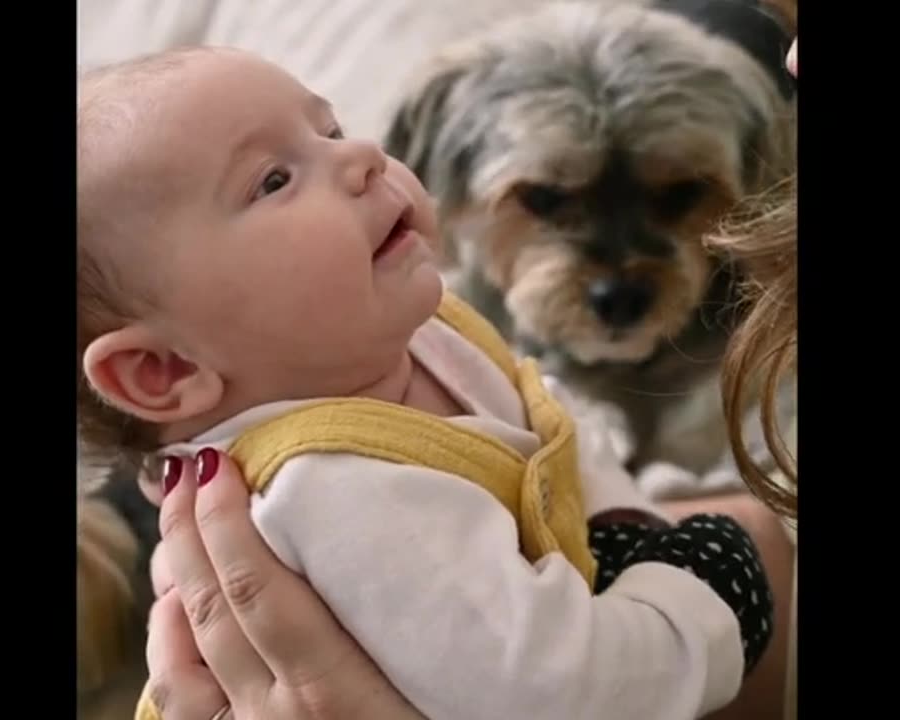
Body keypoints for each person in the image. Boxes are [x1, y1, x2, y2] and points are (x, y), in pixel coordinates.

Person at [77, 46, 785, 720]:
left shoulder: (404, 332)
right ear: (164, 370)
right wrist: (695, 592)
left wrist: (626, 522)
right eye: (272, 179)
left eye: (332, 130)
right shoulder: (335, 492)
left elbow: (546, 420)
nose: (361, 158)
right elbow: (560, 694)